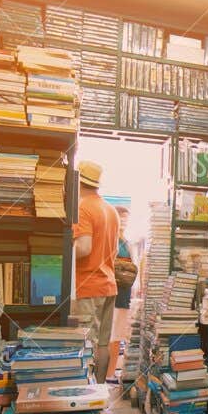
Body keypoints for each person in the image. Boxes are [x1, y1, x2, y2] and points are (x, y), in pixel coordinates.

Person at [71, 159, 121, 381]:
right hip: (108, 285)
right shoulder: (111, 210)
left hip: (87, 286)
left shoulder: (82, 208)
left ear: (78, 182)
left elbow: (83, 247)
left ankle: (86, 396)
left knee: (85, 343)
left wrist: (61, 255)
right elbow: (114, 251)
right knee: (102, 343)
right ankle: (99, 391)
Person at [109, 205, 138, 383]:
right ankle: (106, 374)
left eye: (127, 217)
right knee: (110, 335)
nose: (124, 221)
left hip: (124, 293)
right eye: (121, 217)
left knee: (118, 335)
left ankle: (110, 373)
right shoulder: (110, 239)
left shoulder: (126, 242)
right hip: (112, 292)